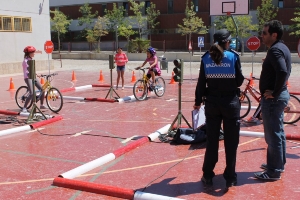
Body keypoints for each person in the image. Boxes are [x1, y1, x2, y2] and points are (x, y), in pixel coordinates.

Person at [193, 29, 244, 188]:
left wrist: (197, 102)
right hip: (230, 103)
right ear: (227, 42)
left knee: (212, 141)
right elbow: (239, 81)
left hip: (212, 104)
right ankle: (230, 177)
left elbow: (201, 82)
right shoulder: (233, 57)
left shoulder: (206, 58)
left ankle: (207, 175)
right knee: (231, 142)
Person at [254, 20, 291, 180]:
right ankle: (278, 164)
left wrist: (274, 92)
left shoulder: (275, 50)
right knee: (279, 132)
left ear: (274, 35)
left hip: (274, 100)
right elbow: (280, 69)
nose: (261, 36)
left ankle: (274, 171)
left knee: (272, 135)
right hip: (279, 96)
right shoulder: (281, 48)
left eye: (264, 33)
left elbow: (282, 71)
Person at [22, 46, 48, 113]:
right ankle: (24, 108)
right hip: (28, 77)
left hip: (33, 76)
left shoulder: (31, 60)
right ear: (29, 53)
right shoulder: (25, 61)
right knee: (32, 93)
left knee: (42, 89)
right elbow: (27, 71)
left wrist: (36, 74)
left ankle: (42, 105)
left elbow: (32, 70)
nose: (34, 54)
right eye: (33, 52)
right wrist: (35, 74)